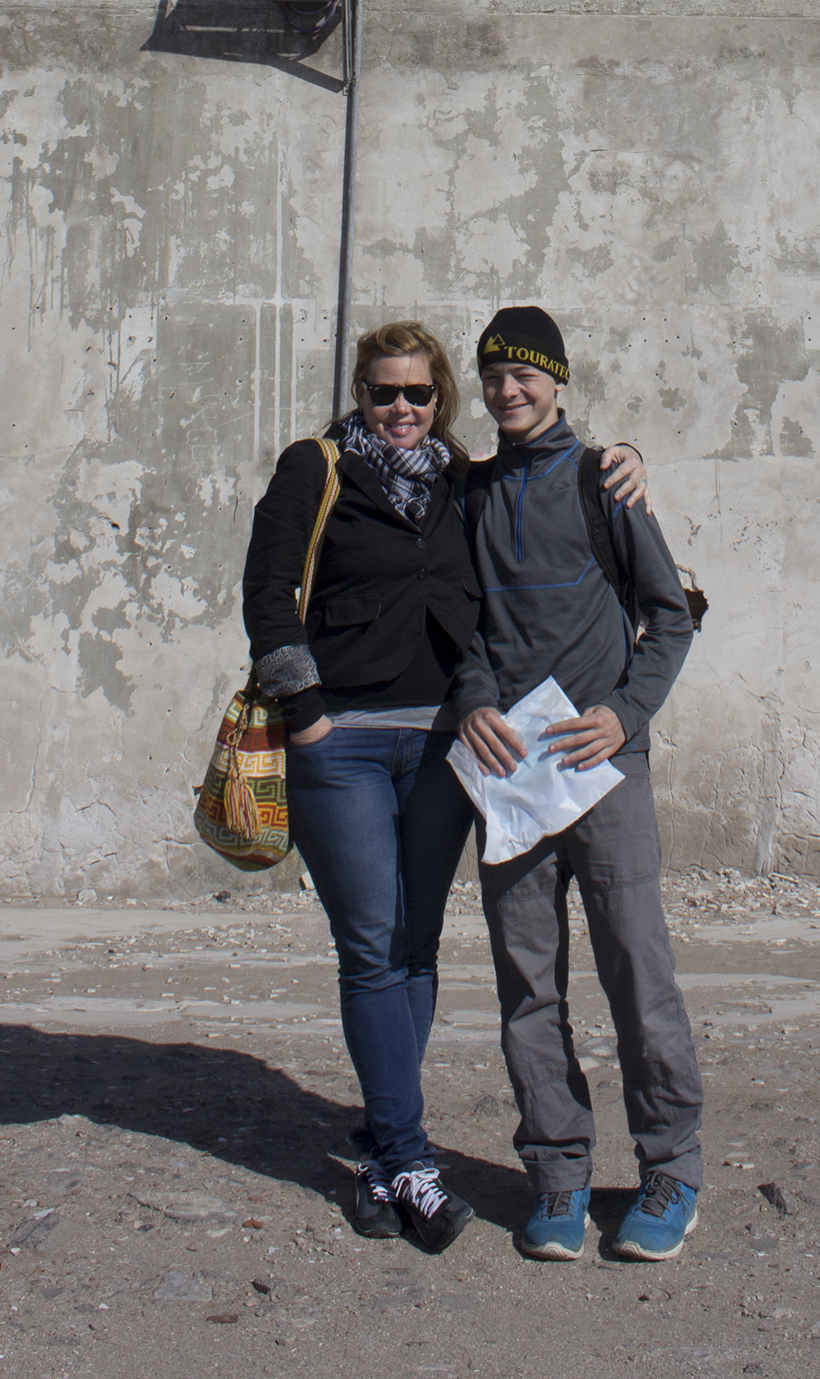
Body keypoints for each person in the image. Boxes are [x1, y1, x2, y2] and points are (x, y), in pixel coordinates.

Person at [240, 321, 649, 1256]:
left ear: (440, 402)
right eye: (384, 392)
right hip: (340, 742)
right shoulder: (315, 468)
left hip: (442, 747)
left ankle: (386, 1154)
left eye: (418, 395)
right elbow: (267, 593)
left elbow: (549, 472)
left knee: (419, 947)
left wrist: (625, 457)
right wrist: (306, 715)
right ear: (360, 393)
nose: (399, 409)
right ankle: (410, 1156)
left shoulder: (459, 480)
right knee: (373, 946)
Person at [452, 306, 703, 1265]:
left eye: (525, 374)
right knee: (526, 983)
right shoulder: (473, 493)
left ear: (556, 379)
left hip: (603, 770)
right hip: (512, 777)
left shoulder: (605, 479)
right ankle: (556, 1176)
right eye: (494, 375)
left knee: (638, 972)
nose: (508, 390)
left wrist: (626, 715)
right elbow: (465, 627)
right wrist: (475, 697)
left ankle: (671, 1170)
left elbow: (668, 616)